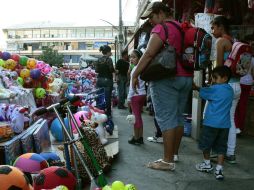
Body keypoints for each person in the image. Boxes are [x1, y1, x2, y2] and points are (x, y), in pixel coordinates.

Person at [132, 1, 193, 171]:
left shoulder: (160, 28)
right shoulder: (182, 26)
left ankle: (167, 161)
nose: (150, 21)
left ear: (160, 13)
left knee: (166, 118)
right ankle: (173, 155)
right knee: (178, 117)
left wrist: (135, 74)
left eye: (151, 16)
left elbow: (150, 53)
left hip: (167, 78)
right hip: (185, 77)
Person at [194, 66, 233, 180]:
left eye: (215, 78)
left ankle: (207, 164)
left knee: (206, 144)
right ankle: (219, 170)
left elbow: (202, 92)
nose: (213, 81)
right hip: (225, 125)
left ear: (224, 78)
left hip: (211, 123)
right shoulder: (230, 90)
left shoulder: (215, 89)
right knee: (221, 147)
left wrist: (196, 87)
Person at [210, 15, 240, 164]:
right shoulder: (234, 41)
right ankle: (230, 153)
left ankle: (219, 151)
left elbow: (219, 69)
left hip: (226, 87)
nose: (212, 30)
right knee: (231, 119)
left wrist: (213, 85)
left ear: (221, 26)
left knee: (218, 120)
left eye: (213, 27)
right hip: (237, 85)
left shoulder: (221, 41)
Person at [127, 49, 146, 144]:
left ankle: (137, 138)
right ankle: (140, 137)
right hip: (142, 95)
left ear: (140, 58)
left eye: (134, 57)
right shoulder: (142, 67)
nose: (131, 59)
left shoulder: (135, 69)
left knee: (136, 118)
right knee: (138, 116)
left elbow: (132, 85)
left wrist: (129, 98)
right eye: (130, 57)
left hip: (135, 96)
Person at [235, 57, 254, 132]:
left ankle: (236, 126)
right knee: (243, 106)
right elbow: (253, 73)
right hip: (248, 82)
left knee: (235, 105)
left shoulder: (239, 56)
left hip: (239, 81)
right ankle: (240, 127)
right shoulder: (252, 58)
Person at [95, 45, 115, 117]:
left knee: (99, 96)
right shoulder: (109, 59)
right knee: (107, 98)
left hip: (99, 79)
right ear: (108, 52)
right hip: (107, 80)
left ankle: (98, 112)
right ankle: (108, 114)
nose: (111, 53)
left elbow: (96, 70)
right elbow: (111, 69)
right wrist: (115, 71)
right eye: (110, 52)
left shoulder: (98, 59)